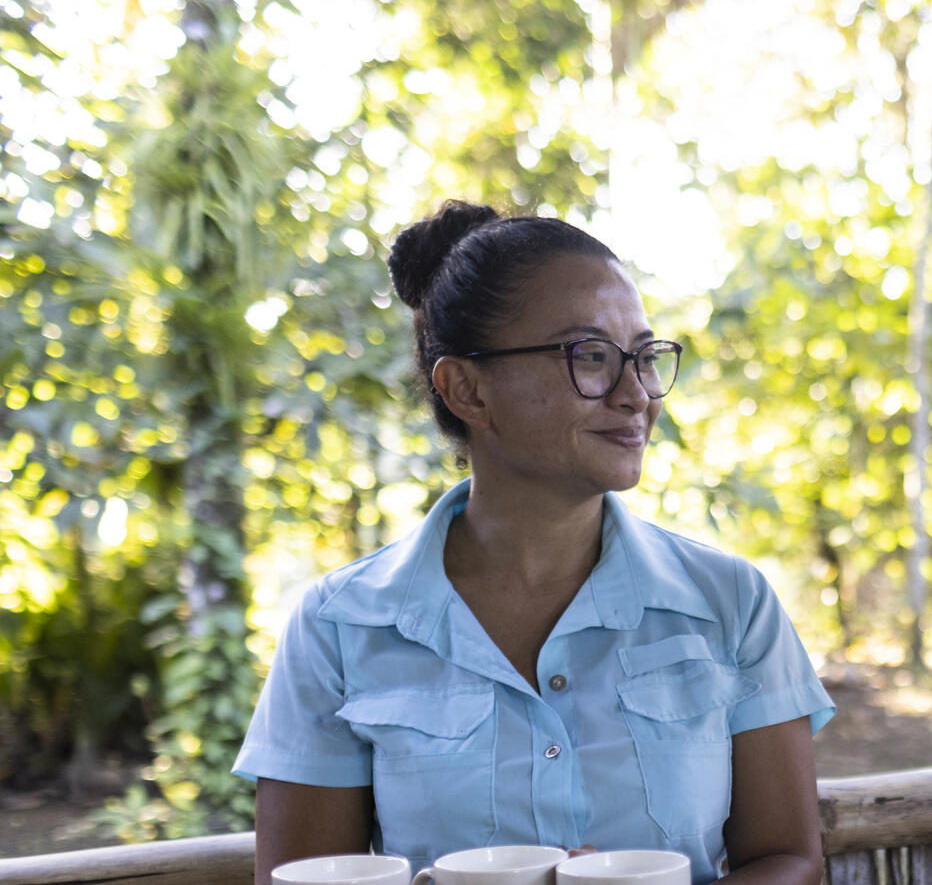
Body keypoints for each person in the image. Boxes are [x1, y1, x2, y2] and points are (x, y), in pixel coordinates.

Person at [235, 201, 833, 885]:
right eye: (591, 356)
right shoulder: (339, 625)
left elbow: (791, 859)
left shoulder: (730, 602)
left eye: (643, 356)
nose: (636, 394)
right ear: (467, 388)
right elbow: (304, 876)